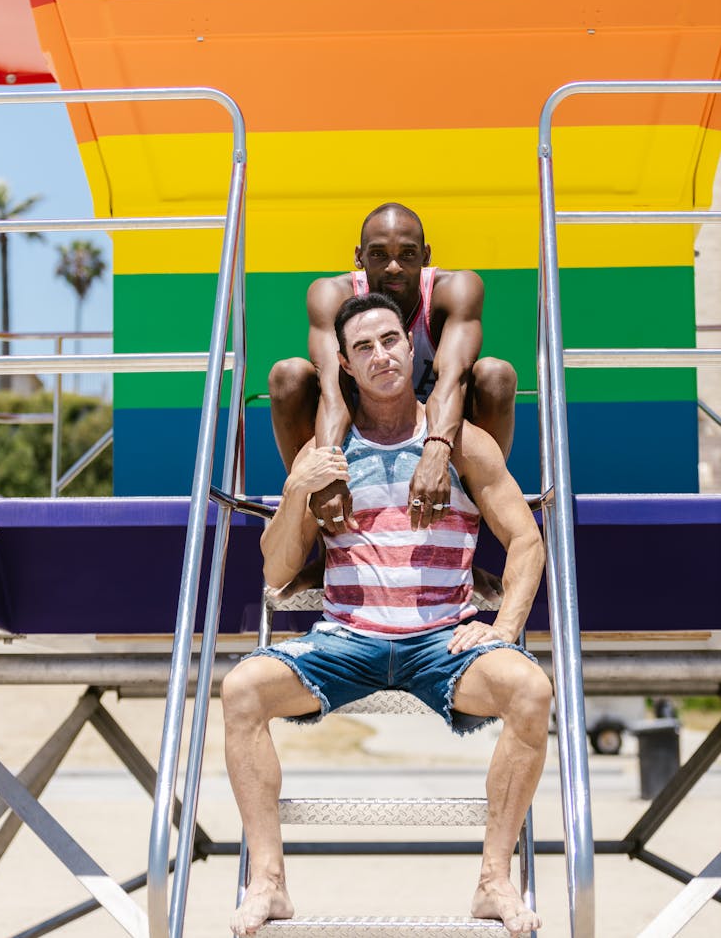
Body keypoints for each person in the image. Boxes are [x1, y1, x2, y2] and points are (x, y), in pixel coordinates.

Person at [223, 293, 551, 937]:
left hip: (440, 643)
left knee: (532, 690)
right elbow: (276, 573)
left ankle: (493, 881)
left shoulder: (461, 444)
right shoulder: (327, 452)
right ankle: (269, 883)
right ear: (344, 365)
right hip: (347, 638)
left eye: (391, 340)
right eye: (364, 348)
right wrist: (298, 487)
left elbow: (526, 540)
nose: (381, 356)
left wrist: (505, 629)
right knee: (240, 691)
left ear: (412, 348)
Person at [268, 202, 517, 535]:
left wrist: (436, 453)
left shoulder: (455, 289)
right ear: (359, 256)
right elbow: (333, 392)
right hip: (360, 437)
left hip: (438, 432)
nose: (394, 267)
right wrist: (326, 477)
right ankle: (321, 533)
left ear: (426, 255)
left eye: (408, 254)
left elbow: (452, 381)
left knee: (496, 375)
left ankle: (468, 527)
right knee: (289, 376)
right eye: (379, 255)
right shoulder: (331, 294)